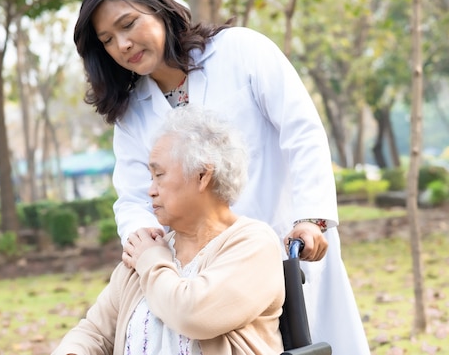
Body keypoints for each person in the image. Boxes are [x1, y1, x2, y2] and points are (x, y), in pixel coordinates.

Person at [73, 0, 370, 354]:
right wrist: (146, 244)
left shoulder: (241, 51)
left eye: (128, 24)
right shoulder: (131, 113)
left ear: (158, 7)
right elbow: (132, 199)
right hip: (205, 273)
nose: (123, 44)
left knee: (313, 339)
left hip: (283, 245)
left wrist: (311, 218)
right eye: (108, 40)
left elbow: (302, 132)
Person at [52, 106, 285, 355]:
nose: (150, 190)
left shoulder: (254, 244)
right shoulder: (149, 248)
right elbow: (94, 331)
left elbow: (193, 314)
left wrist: (151, 261)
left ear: (202, 175)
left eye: (159, 175)